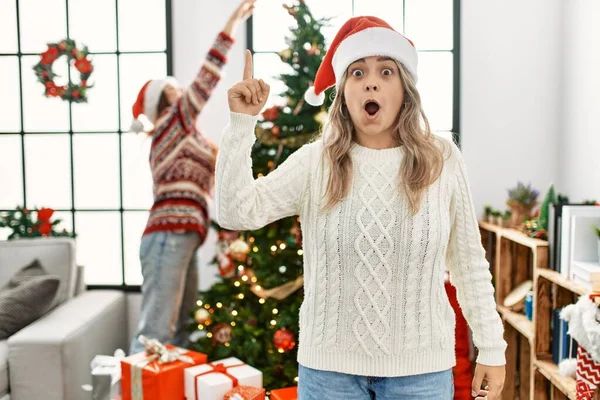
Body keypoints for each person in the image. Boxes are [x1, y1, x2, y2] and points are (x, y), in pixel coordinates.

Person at [216, 15, 507, 400]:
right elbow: (236, 212)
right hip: (329, 376)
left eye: (386, 71)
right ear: (343, 92)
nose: (371, 81)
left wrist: (491, 348)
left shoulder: (442, 160)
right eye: (357, 72)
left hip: (421, 375)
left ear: (404, 88)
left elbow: (469, 262)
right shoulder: (314, 162)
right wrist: (242, 123)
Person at [128, 0, 256, 355]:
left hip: (183, 236)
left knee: (180, 329)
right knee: (156, 330)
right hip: (167, 234)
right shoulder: (172, 123)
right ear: (165, 102)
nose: (182, 90)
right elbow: (208, 74)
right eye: (173, 90)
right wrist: (231, 23)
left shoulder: (192, 137)